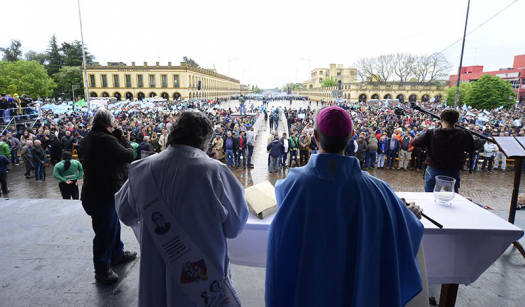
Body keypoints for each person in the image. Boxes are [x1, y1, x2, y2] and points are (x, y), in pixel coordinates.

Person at [266, 106, 424, 306]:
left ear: (315, 136)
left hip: (309, 289)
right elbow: (405, 228)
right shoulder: (377, 190)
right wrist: (408, 213)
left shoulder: (291, 185)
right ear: (351, 136)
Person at [115, 111, 248, 306]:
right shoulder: (215, 171)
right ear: (205, 139)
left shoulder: (142, 169)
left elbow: (124, 213)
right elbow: (234, 227)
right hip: (201, 278)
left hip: (156, 270)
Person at [79, 109, 136, 285]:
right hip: (102, 193)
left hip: (95, 192)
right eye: (113, 125)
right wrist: (124, 140)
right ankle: (102, 268)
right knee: (105, 231)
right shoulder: (105, 139)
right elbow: (129, 155)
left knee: (112, 224)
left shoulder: (87, 139)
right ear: (108, 124)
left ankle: (117, 253)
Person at [412, 109, 475, 193]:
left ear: (441, 119)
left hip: (434, 168)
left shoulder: (431, 133)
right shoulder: (465, 134)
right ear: (456, 120)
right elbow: (471, 149)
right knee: (452, 194)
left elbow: (415, 143)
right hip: (454, 169)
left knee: (429, 195)